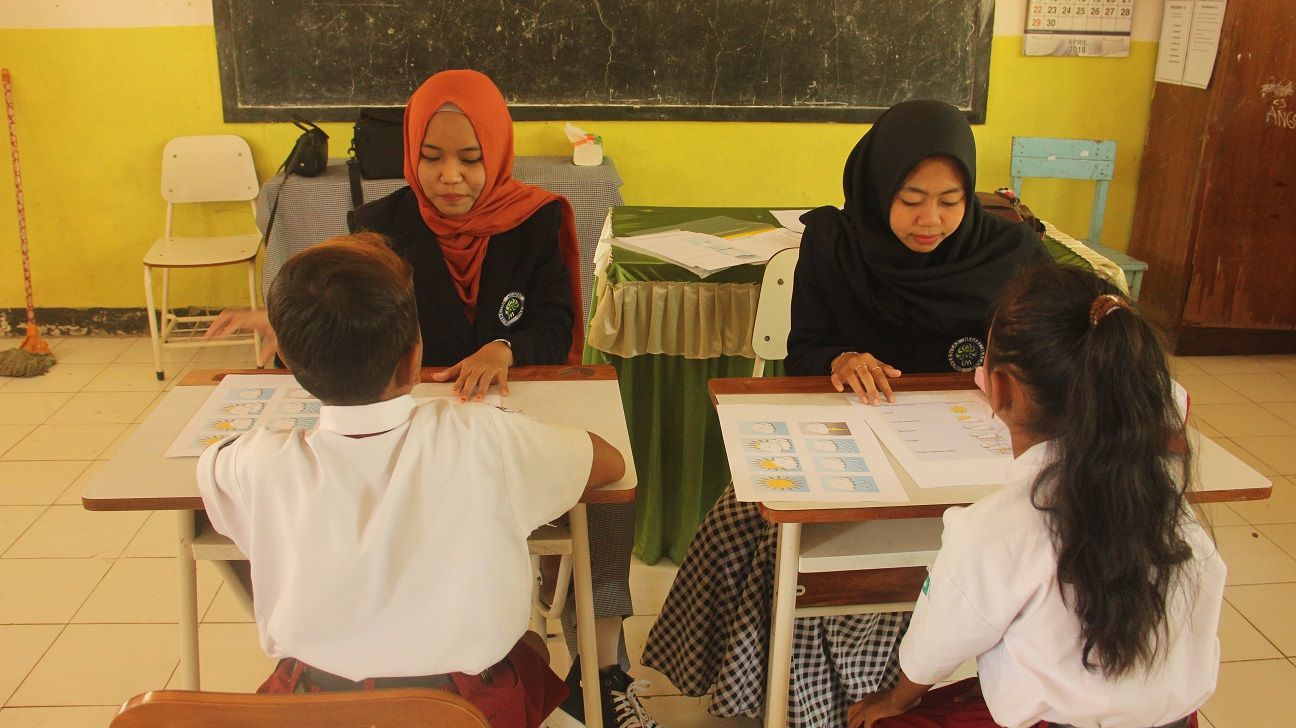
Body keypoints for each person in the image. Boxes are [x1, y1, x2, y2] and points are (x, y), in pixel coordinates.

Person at [208, 69, 648, 727]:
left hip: (487, 402)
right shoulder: (378, 227)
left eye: (471, 160)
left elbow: (555, 323)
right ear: (409, 154)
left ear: (497, 155)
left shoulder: (535, 220)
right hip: (429, 421)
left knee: (603, 511)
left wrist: (506, 349)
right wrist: (305, 323)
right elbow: (348, 308)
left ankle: (603, 662)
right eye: (431, 158)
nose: (450, 177)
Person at [642, 100, 1049, 726]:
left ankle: (837, 697)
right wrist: (839, 357)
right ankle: (760, 685)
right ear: (878, 183)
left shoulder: (1010, 255)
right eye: (911, 197)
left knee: (889, 564)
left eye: (950, 199)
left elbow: (1047, 354)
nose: (931, 219)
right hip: (846, 436)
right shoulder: (835, 243)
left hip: (959, 458)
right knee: (746, 517)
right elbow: (802, 349)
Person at [197, 233, 626, 727]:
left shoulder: (256, 462)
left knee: (525, 652)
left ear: (290, 365)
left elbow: (211, 466)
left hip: (314, 707)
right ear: (413, 357)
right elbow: (609, 464)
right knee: (530, 649)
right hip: (464, 709)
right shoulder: (482, 436)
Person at [850, 264, 1224, 728]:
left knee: (880, 721)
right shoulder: (1171, 506)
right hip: (1179, 721)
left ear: (1000, 386)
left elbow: (936, 643)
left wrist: (897, 699)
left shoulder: (993, 529)